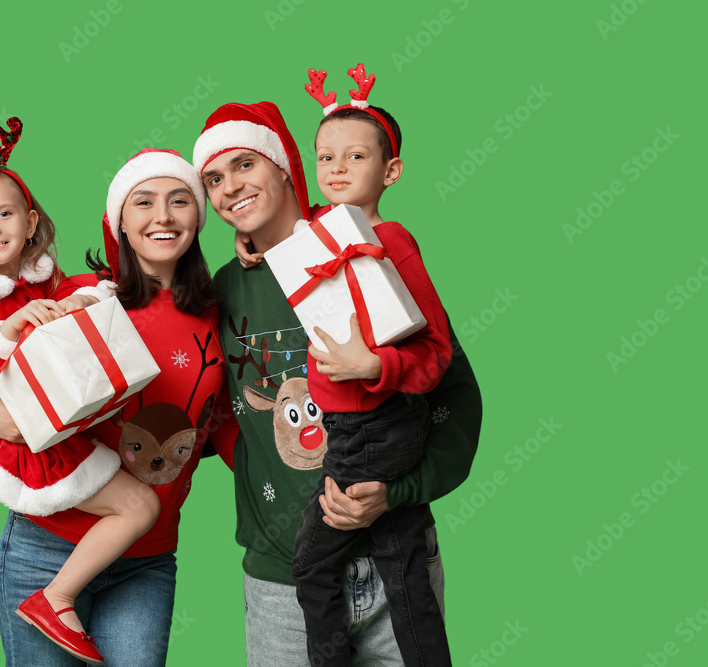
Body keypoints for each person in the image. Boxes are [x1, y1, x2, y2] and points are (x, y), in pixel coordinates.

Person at [195, 99, 482, 666]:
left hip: (396, 564)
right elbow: (208, 411)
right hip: (282, 581)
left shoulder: (361, 251)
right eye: (213, 178)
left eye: (245, 165)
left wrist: (398, 492)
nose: (230, 187)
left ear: (284, 167)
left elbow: (454, 395)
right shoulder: (219, 293)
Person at [0, 148, 237, 666]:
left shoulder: (216, 311)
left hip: (147, 559)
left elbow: (223, 423)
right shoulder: (79, 296)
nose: (163, 216)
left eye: (180, 201)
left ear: (198, 218)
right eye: (144, 203)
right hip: (47, 548)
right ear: (120, 224)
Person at [0, 118, 161, 664]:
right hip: (36, 449)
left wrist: (78, 304)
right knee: (138, 505)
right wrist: (7, 331)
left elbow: (67, 345)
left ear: (30, 222)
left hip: (63, 428)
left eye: (5, 214)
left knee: (139, 507)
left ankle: (60, 594)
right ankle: (55, 598)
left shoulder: (42, 279)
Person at [286, 64, 453, 666]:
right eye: (324, 155)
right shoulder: (320, 238)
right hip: (352, 427)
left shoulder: (394, 239)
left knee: (312, 561)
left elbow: (436, 354)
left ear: (390, 171)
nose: (336, 168)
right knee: (402, 564)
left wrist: (373, 365)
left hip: (376, 426)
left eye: (355, 157)